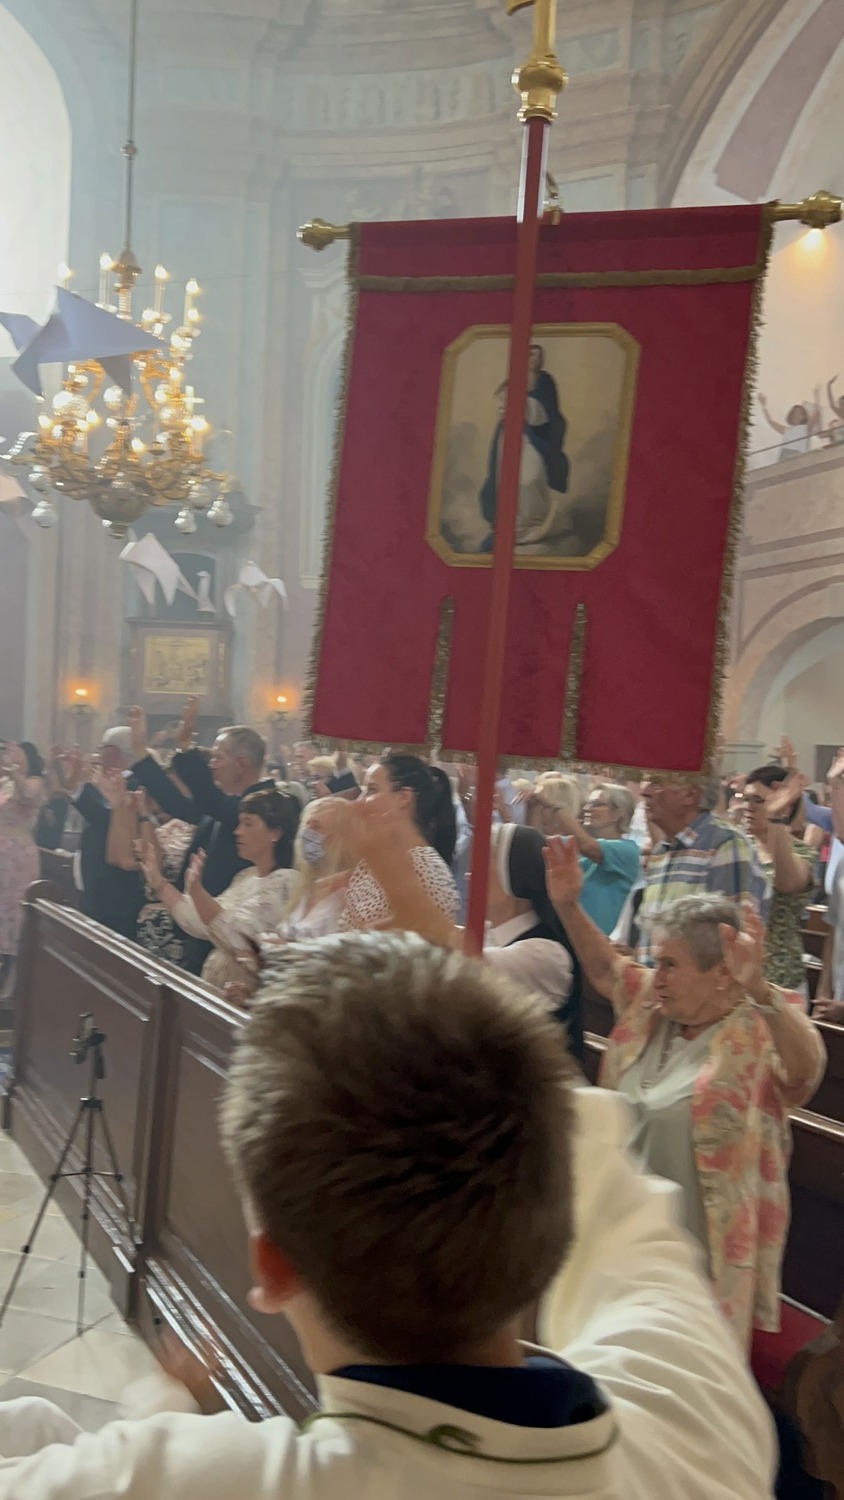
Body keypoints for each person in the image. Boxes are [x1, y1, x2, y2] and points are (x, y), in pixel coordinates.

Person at [0, 934, 778, 1498]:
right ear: (548, 1231)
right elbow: (618, 1204)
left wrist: (164, 1402)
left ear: (273, 1267)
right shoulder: (697, 1426)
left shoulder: (184, 1477)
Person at [544, 834, 825, 1348]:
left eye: (671, 964)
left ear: (721, 974)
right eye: (658, 962)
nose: (658, 976)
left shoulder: (759, 1025)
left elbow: (805, 1073)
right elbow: (605, 968)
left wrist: (759, 989)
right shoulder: (654, 1008)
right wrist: (567, 904)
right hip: (621, 1238)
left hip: (703, 1256)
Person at [130, 701, 276, 973]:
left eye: (218, 758)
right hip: (200, 926)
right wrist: (140, 752)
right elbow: (176, 802)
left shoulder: (268, 803)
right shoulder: (226, 805)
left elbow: (209, 798)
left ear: (242, 763)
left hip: (231, 938)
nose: (212, 765)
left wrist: (186, 745)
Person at [138, 787, 300, 991]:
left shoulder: (288, 881)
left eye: (248, 824)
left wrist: (198, 893)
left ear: (275, 833)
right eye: (240, 823)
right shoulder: (246, 876)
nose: (237, 831)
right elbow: (199, 923)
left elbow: (237, 936)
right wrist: (159, 883)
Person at [635, 775, 770, 963]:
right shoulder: (661, 851)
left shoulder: (725, 844)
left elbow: (733, 939)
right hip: (659, 978)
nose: (645, 791)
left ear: (690, 795)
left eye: (657, 784)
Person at [338, 753, 458, 931]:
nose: (360, 801)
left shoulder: (425, 867)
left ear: (403, 797)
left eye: (372, 790)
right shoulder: (370, 862)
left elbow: (424, 938)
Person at [58, 733, 144, 940]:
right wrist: (76, 782)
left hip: (114, 890)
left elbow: (107, 820)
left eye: (102, 748)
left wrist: (78, 787)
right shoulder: (113, 783)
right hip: (98, 882)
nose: (99, 754)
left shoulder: (135, 785)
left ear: (114, 752)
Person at [739, 766, 816, 997]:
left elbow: (788, 883)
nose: (748, 807)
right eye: (746, 799)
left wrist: (775, 818)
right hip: (738, 975)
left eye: (758, 800)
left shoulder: (802, 852)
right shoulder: (739, 849)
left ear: (786, 806)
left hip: (780, 977)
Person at [543, 781, 640, 935]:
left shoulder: (628, 850)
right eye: (587, 804)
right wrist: (532, 806)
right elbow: (539, 845)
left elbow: (588, 846)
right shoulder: (577, 845)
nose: (587, 809)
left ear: (617, 814)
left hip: (603, 940)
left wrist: (555, 806)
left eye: (596, 804)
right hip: (570, 936)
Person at [0, 740, 46, 992]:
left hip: (17, 857)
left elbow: (27, 795)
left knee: (13, 914)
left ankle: (12, 983)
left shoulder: (35, 782)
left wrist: (16, 771)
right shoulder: (4, 783)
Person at [758, 391, 821, 460]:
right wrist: (763, 406)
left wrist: (816, 397)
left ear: (804, 416)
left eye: (798, 413)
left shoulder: (805, 428)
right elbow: (771, 421)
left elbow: (816, 415)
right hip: (783, 455)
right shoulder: (787, 430)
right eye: (794, 413)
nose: (796, 415)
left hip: (797, 456)